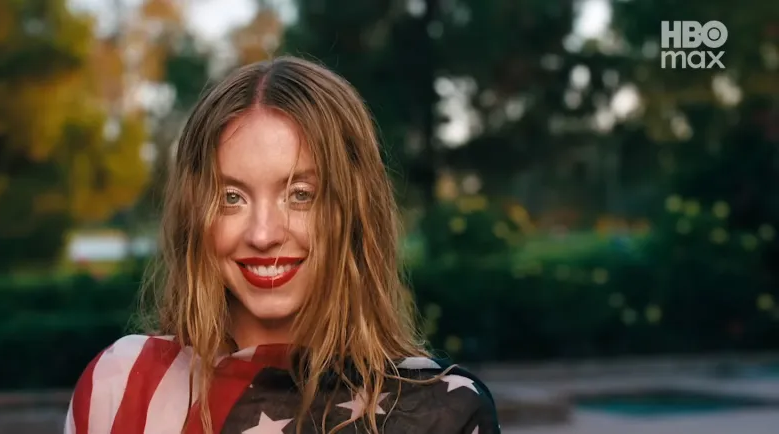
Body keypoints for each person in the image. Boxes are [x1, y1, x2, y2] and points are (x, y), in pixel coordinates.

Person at [65, 56, 500, 434]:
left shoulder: (440, 409)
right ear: (194, 215)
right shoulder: (122, 385)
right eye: (231, 197)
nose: (263, 233)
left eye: (300, 195)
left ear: (352, 210)